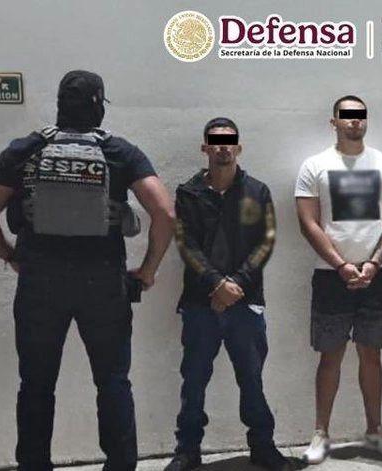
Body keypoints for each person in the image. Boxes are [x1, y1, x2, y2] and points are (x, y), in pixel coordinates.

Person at [0, 70, 175, 471]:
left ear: (60, 104)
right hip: (103, 284)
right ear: (99, 105)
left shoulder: (27, 149)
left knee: (36, 384)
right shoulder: (119, 151)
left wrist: (11, 256)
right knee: (112, 381)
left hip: (40, 283)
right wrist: (148, 270)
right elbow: (165, 213)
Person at [164, 118, 288, 471]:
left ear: (239, 147)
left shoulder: (256, 192)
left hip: (246, 304)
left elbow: (265, 242)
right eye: (216, 141)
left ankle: (263, 448)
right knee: (194, 381)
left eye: (229, 140)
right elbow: (186, 244)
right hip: (200, 303)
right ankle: (187, 451)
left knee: (252, 379)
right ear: (205, 147)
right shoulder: (189, 193)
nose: (223, 146)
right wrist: (217, 285)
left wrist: (237, 285)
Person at [295, 95, 382, 464]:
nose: (355, 121)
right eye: (347, 116)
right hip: (331, 277)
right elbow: (308, 222)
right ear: (335, 122)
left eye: (360, 116)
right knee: (331, 356)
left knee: (371, 354)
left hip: (376, 276)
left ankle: (374, 430)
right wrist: (342, 265)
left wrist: (373, 263)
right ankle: (321, 434)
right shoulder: (315, 166)